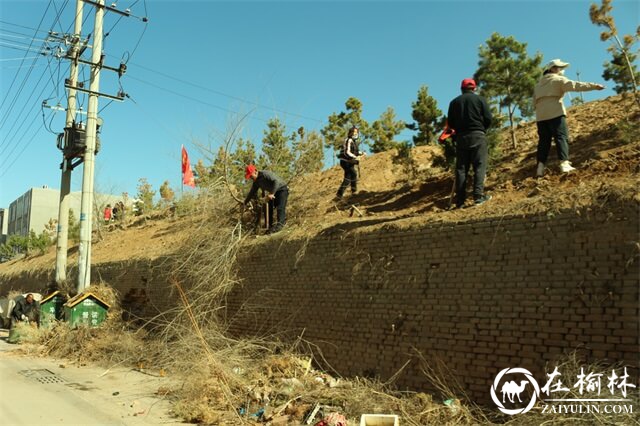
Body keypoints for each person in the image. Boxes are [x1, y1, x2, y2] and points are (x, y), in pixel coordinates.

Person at [534, 59, 605, 176]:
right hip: (555, 112)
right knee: (561, 136)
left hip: (541, 116)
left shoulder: (538, 85)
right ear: (552, 69)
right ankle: (564, 164)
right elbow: (576, 86)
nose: (561, 70)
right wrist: (594, 86)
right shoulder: (559, 79)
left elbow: (534, 102)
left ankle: (540, 168)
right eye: (559, 67)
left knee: (543, 141)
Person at [447, 78, 493, 208]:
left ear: (461, 89)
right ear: (474, 88)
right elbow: (488, 118)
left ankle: (460, 201)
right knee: (479, 166)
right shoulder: (480, 100)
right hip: (478, 135)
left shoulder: (454, 102)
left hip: (461, 138)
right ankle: (478, 197)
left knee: (461, 169)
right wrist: (482, 129)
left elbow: (451, 123)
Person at [243, 164, 289, 234]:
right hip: (273, 193)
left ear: (255, 171)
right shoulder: (256, 182)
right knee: (267, 207)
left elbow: (276, 181)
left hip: (282, 189)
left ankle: (280, 225)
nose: (251, 178)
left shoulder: (265, 174)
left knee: (280, 207)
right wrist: (245, 202)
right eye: (250, 177)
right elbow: (252, 192)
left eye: (251, 176)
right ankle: (270, 227)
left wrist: (272, 193)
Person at [335, 126, 366, 199]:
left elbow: (355, 151)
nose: (355, 134)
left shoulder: (353, 142)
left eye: (356, 132)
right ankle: (353, 191)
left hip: (349, 161)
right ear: (350, 133)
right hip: (345, 161)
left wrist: (361, 153)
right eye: (354, 132)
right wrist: (355, 157)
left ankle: (339, 194)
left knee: (348, 177)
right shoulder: (348, 140)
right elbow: (347, 152)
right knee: (353, 174)